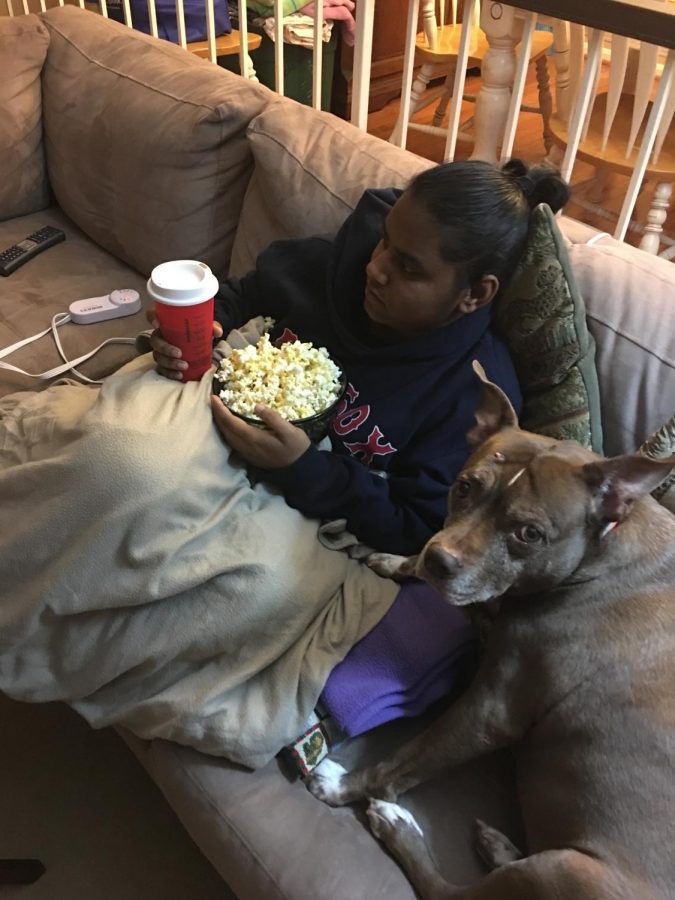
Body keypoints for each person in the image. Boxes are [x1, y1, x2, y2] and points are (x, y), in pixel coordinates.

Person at [150, 158, 570, 557]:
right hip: (202, 425)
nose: (376, 268)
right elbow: (244, 293)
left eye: (408, 268)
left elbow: (418, 524)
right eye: (385, 240)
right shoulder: (334, 266)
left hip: (297, 512)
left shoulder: (473, 395)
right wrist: (207, 324)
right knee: (127, 461)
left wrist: (303, 469)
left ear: (475, 294)